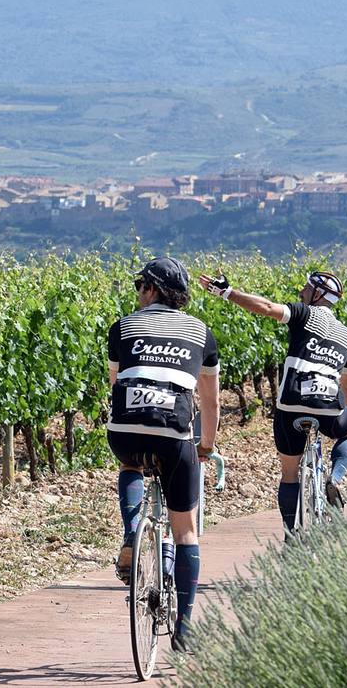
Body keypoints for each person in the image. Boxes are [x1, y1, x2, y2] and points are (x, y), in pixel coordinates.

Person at [107, 256, 220, 652]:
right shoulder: (202, 333)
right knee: (185, 530)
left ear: (151, 289)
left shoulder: (121, 327)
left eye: (140, 285)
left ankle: (130, 530)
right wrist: (206, 446)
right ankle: (185, 630)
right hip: (174, 432)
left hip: (125, 428)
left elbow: (115, 384)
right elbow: (210, 401)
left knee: (130, 461)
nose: (137, 293)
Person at [198, 269, 347, 529]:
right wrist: (346, 418)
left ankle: (290, 536)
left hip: (291, 404)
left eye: (306, 289)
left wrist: (226, 292)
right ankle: (336, 478)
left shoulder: (304, 314)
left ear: (317, 295)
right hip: (329, 406)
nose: (301, 292)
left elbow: (267, 307)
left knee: (289, 474)